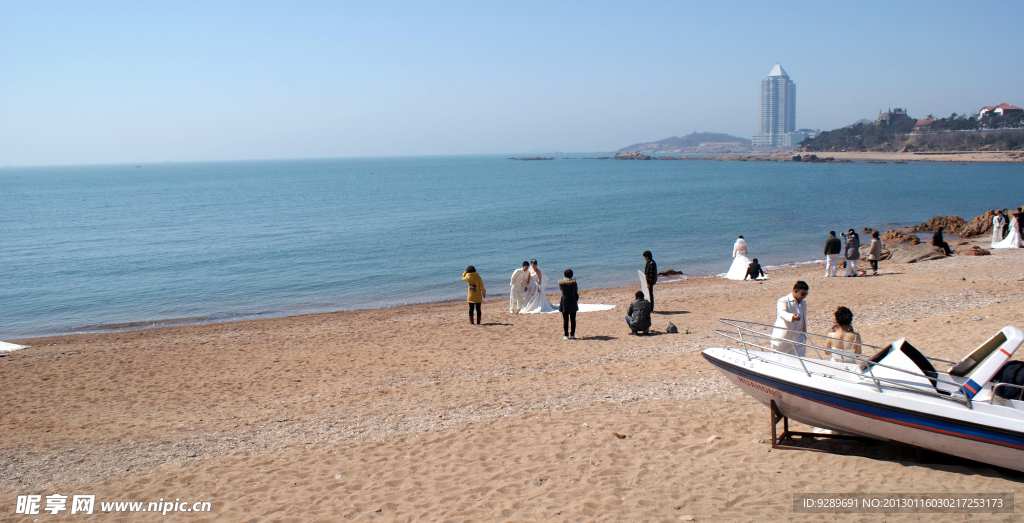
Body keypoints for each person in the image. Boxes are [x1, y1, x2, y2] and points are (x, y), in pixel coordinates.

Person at [770, 281, 808, 357]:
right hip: (784, 339)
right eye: (802, 294)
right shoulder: (784, 300)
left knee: (799, 363)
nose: (804, 296)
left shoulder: (803, 303)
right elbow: (781, 313)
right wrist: (792, 317)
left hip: (799, 339)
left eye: (806, 294)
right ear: (796, 291)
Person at [558, 269, 580, 340]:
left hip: (564, 302)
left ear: (564, 275)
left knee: (565, 319)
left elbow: (561, 290)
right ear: (572, 275)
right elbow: (575, 291)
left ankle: (566, 335)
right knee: (573, 319)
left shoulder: (561, 284)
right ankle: (572, 334)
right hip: (573, 301)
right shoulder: (574, 283)